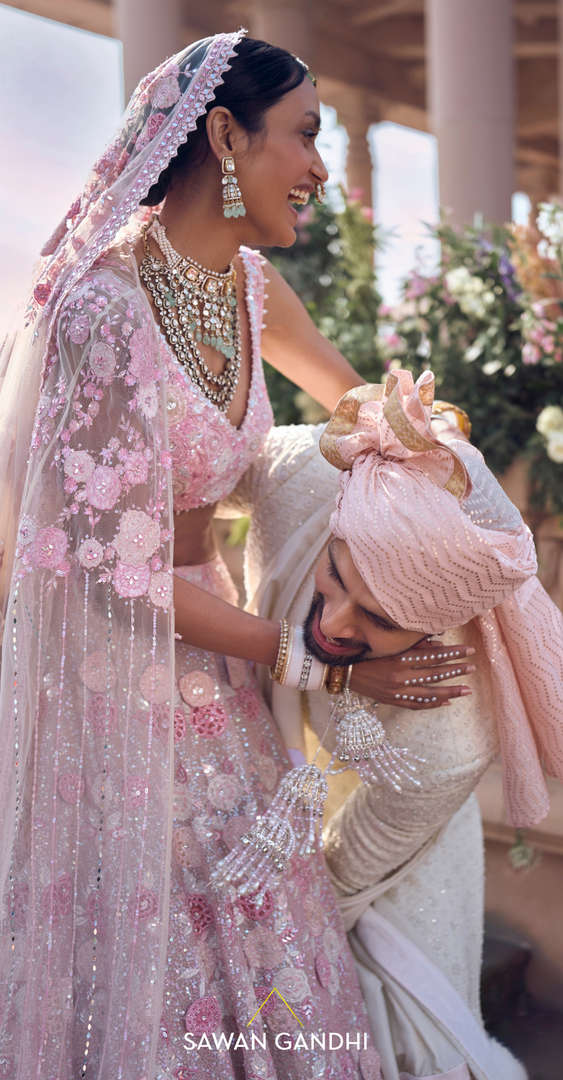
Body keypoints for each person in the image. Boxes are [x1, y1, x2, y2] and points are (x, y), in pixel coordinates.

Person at [0, 33, 472, 1080]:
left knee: (264, 937)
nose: (322, 168)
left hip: (218, 660)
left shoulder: (249, 290)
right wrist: (321, 655)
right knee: (136, 951)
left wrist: (428, 447)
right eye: (306, 136)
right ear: (227, 134)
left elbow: (356, 396)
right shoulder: (104, 305)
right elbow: (110, 571)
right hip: (109, 676)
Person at [225, 368, 563, 1080]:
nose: (336, 621)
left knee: (408, 1048)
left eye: (379, 622)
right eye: (336, 576)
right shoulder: (310, 478)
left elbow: (334, 887)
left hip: (391, 880)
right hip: (268, 774)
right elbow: (196, 475)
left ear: (440, 627)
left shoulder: (451, 727)